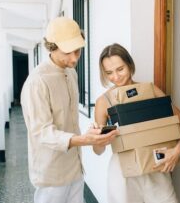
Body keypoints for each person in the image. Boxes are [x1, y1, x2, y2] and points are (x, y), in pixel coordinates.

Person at [20, 17, 118, 203]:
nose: (74, 58)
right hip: (51, 173)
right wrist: (84, 140)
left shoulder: (71, 72)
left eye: (78, 51)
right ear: (52, 46)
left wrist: (90, 134)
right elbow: (42, 132)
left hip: (75, 167)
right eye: (68, 52)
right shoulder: (37, 82)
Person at [94, 43, 180, 203]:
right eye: (109, 73)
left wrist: (178, 150)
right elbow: (98, 151)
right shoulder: (103, 102)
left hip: (154, 167)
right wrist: (99, 138)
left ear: (130, 65)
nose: (116, 77)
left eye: (120, 69)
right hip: (122, 173)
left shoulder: (150, 91)